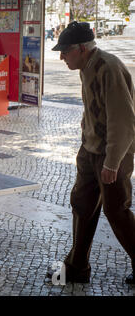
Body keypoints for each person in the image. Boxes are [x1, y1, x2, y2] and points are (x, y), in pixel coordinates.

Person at [49, 21, 135, 284]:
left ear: (83, 48)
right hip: (90, 150)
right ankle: (76, 267)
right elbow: (93, 109)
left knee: (116, 210)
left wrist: (112, 162)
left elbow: (123, 120)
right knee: (82, 205)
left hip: (112, 153)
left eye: (65, 51)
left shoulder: (108, 67)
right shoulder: (85, 66)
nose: (61, 56)